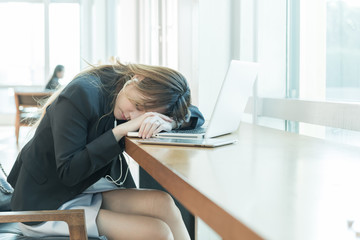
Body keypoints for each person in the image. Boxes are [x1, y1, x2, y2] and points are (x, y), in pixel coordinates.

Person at [8, 62, 204, 240]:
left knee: (163, 202)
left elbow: (194, 113)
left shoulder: (125, 84)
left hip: (82, 188)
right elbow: (68, 172)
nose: (133, 117)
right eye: (137, 106)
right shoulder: (81, 94)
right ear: (137, 80)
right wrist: (119, 131)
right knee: (158, 232)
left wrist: (170, 122)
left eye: (145, 115)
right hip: (45, 203)